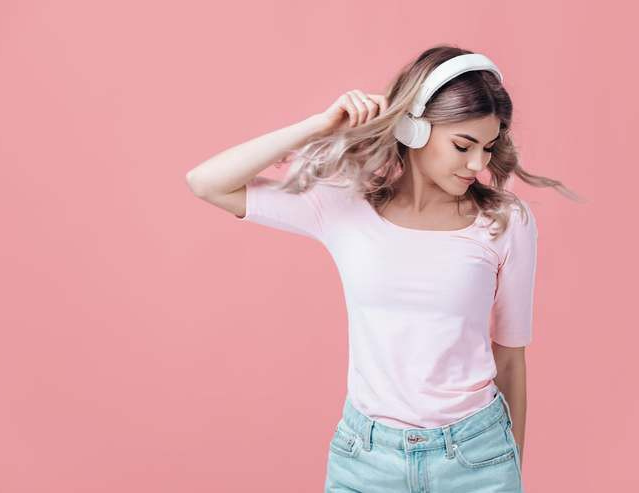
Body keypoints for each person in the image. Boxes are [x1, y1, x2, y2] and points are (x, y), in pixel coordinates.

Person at [185, 44, 579, 493]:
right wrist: (320, 125)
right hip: (365, 461)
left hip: (477, 458)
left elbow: (510, 357)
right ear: (412, 129)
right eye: (462, 145)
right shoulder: (343, 206)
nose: (478, 164)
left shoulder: (506, 222)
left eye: (488, 147)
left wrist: (512, 469)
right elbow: (207, 182)